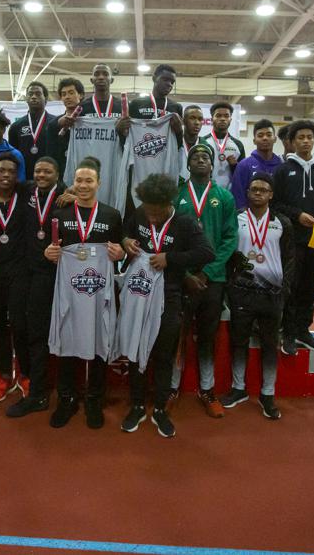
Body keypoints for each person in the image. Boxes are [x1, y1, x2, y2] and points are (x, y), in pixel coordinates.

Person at [119, 174, 214, 438]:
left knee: (163, 355)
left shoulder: (184, 222)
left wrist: (170, 258)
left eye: (156, 211)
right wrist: (126, 241)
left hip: (170, 297)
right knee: (137, 353)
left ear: (168, 203)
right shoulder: (140, 213)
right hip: (139, 293)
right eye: (147, 209)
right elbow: (125, 232)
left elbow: (207, 253)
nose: (150, 216)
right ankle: (137, 405)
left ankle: (159, 408)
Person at [46, 158, 126, 430]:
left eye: (88, 180)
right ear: (73, 182)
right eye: (78, 180)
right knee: (67, 336)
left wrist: (121, 253)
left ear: (99, 183)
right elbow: (49, 246)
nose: (83, 185)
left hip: (98, 289)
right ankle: (66, 398)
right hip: (68, 288)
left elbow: (120, 250)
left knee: (100, 339)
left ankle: (94, 398)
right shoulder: (61, 214)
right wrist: (49, 252)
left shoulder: (112, 215)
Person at [0, 157, 67, 418]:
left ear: (58, 174)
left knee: (49, 331)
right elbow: (1, 184)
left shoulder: (66, 195)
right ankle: (36, 389)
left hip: (59, 274)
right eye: (38, 171)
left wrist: (75, 192)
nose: (42, 175)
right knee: (31, 330)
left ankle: (53, 392)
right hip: (31, 273)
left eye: (48, 171)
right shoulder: (28, 190)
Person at [220, 172, 294, 420]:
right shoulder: (236, 218)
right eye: (254, 189)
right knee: (238, 342)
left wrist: (285, 289)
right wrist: (231, 285)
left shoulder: (282, 222)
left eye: (263, 189)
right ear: (248, 193)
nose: (258, 193)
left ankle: (267, 394)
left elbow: (291, 259)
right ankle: (239, 388)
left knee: (269, 345)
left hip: (272, 294)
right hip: (241, 292)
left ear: (271, 194)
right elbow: (228, 252)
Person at [171, 144, 238, 417]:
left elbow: (230, 238)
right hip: (180, 278)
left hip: (213, 279)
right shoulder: (177, 196)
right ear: (188, 165)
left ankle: (207, 389)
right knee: (176, 334)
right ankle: (172, 387)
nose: (201, 160)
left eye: (206, 157)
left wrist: (207, 273)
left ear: (212, 166)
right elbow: (169, 237)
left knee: (207, 337)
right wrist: (186, 274)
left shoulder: (224, 197)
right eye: (195, 157)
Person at [272, 120, 314, 354]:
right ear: (292, 141)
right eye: (301, 137)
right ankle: (288, 332)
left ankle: (303, 329)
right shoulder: (282, 171)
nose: (305, 141)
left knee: (310, 288)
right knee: (291, 287)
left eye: (309, 137)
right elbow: (275, 205)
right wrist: (297, 215)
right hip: (291, 241)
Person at [0, 153, 32, 404]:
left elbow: (50, 183)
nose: (6, 175)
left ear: (17, 174)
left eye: (11, 171)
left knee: (21, 325)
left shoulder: (25, 194)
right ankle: (3, 375)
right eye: (2, 171)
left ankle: (25, 374)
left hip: (20, 272)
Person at [8, 81, 60, 176]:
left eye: (38, 94)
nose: (33, 97)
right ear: (26, 99)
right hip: (24, 178)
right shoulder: (16, 126)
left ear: (46, 99)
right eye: (30, 94)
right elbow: (13, 156)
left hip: (49, 177)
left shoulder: (56, 123)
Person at [230, 118, 282, 209]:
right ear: (254, 140)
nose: (265, 138)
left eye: (269, 135)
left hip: (277, 218)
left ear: (275, 139)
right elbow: (238, 196)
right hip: (250, 219)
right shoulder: (244, 165)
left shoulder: (281, 166)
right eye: (260, 135)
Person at [200, 102, 245, 189]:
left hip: (229, 194)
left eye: (226, 116)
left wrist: (234, 166)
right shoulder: (203, 142)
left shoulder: (238, 145)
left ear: (230, 119)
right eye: (218, 116)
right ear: (212, 119)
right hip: (207, 192)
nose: (222, 119)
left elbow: (243, 174)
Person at [55, 77, 85, 174]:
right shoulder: (54, 124)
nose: (67, 97)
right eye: (64, 94)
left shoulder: (89, 122)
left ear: (80, 95)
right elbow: (51, 153)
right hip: (61, 173)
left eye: (71, 93)